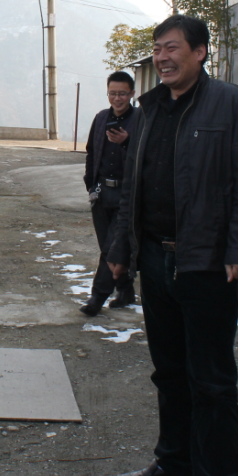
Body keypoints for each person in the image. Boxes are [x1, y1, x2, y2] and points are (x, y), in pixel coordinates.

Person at [107, 15, 238, 476]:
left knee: (212, 379)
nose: (162, 57)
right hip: (155, 259)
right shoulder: (150, 109)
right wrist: (121, 247)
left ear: (200, 52)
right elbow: (133, 185)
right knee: (169, 372)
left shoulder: (233, 105)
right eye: (157, 48)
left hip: (207, 262)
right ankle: (174, 463)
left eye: (172, 47)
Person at [80, 70, 138, 316]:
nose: (117, 98)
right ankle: (125, 290)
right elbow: (91, 152)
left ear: (132, 94)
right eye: (112, 93)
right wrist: (90, 183)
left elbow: (149, 156)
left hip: (127, 194)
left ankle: (97, 297)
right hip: (102, 193)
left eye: (122, 94)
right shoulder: (101, 117)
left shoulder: (141, 119)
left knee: (111, 248)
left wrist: (127, 141)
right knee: (108, 245)